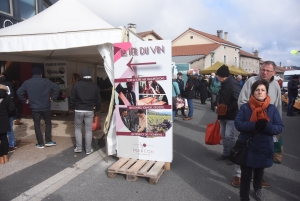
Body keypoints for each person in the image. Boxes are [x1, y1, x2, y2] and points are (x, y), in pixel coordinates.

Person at [232, 61, 282, 188]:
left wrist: (276, 125)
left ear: (274, 73)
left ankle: (258, 178)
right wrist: (251, 117)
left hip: (267, 126)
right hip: (250, 122)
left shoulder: (276, 85)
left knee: (263, 152)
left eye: (268, 71)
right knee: (244, 149)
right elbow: (242, 101)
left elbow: (278, 106)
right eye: (263, 69)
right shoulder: (251, 81)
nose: (265, 72)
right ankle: (239, 175)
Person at [17, 67, 59, 148]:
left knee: (37, 125)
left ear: (32, 74)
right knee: (48, 123)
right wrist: (53, 98)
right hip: (46, 106)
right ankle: (48, 141)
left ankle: (40, 143)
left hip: (35, 108)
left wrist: (24, 101)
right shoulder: (46, 81)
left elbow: (19, 92)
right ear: (41, 74)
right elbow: (56, 87)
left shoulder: (27, 82)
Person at [69, 68, 101, 154]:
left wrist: (71, 107)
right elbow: (98, 99)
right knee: (88, 130)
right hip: (89, 110)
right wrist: (97, 109)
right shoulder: (94, 86)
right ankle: (88, 149)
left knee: (78, 128)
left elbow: (72, 97)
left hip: (78, 110)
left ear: (82, 75)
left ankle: (78, 148)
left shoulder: (76, 85)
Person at [215, 65, 241, 161]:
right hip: (223, 114)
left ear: (223, 76)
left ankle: (233, 155)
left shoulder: (233, 83)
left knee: (228, 135)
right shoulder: (225, 83)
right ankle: (226, 153)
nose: (217, 78)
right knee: (223, 135)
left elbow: (238, 99)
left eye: (218, 76)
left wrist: (227, 109)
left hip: (231, 114)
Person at [0, 74, 17, 153]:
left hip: (5, 112)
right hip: (7, 112)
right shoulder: (9, 87)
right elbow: (11, 103)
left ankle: (11, 145)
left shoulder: (6, 87)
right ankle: (11, 145)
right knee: (7, 131)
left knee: (6, 131)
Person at [0, 87, 15, 164]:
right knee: (4, 137)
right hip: (4, 118)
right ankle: (5, 156)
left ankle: (1, 158)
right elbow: (12, 108)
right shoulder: (7, 97)